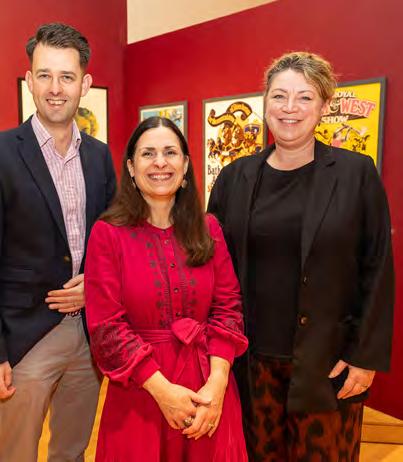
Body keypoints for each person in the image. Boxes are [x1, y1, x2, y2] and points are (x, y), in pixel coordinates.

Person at [208, 51, 394, 461]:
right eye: (279, 96)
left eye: (305, 97)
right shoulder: (234, 177)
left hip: (328, 364)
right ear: (266, 103)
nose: (289, 108)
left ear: (324, 106)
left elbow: (378, 268)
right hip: (250, 365)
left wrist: (364, 358)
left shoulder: (355, 174)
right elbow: (212, 267)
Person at [84, 116, 248, 461]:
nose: (160, 162)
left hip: (208, 391)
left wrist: (217, 384)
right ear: (131, 168)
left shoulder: (209, 229)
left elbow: (228, 307)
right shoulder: (107, 234)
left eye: (170, 152)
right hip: (140, 393)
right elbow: (106, 327)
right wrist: (162, 392)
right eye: (148, 154)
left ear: (185, 164)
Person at [0, 23, 116, 461]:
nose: (55, 88)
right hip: (23, 340)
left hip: (88, 335)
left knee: (72, 451)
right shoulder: (3, 153)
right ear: (29, 80)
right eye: (45, 75)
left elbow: (114, 240)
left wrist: (96, 284)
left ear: (84, 85)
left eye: (66, 77)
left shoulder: (99, 155)